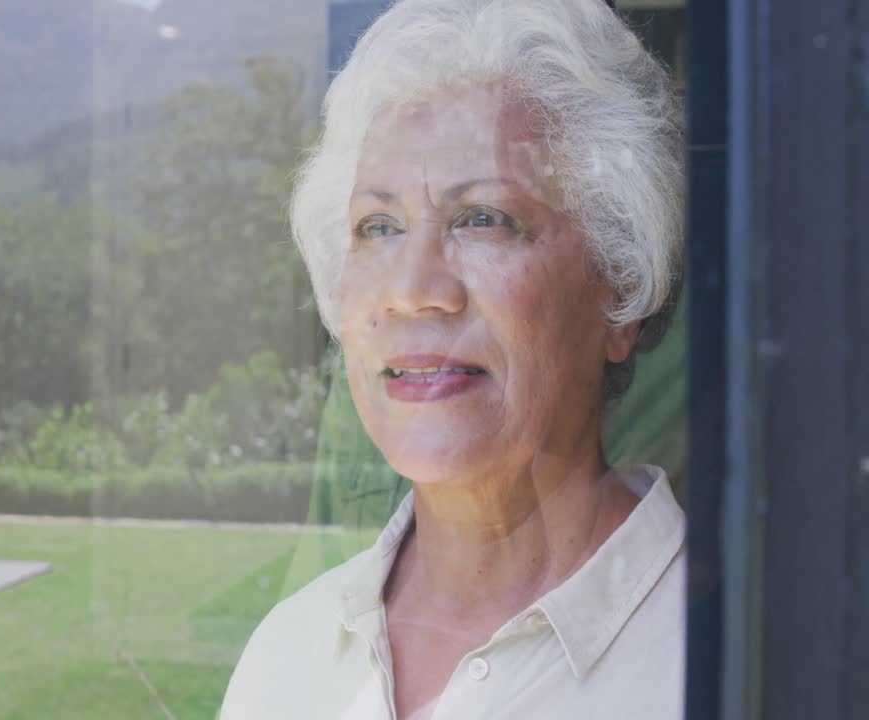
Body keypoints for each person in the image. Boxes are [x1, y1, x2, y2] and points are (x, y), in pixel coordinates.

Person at [220, 1, 686, 718]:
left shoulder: (730, 659)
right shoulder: (289, 653)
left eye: (484, 220)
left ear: (619, 286)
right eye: (378, 227)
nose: (413, 293)